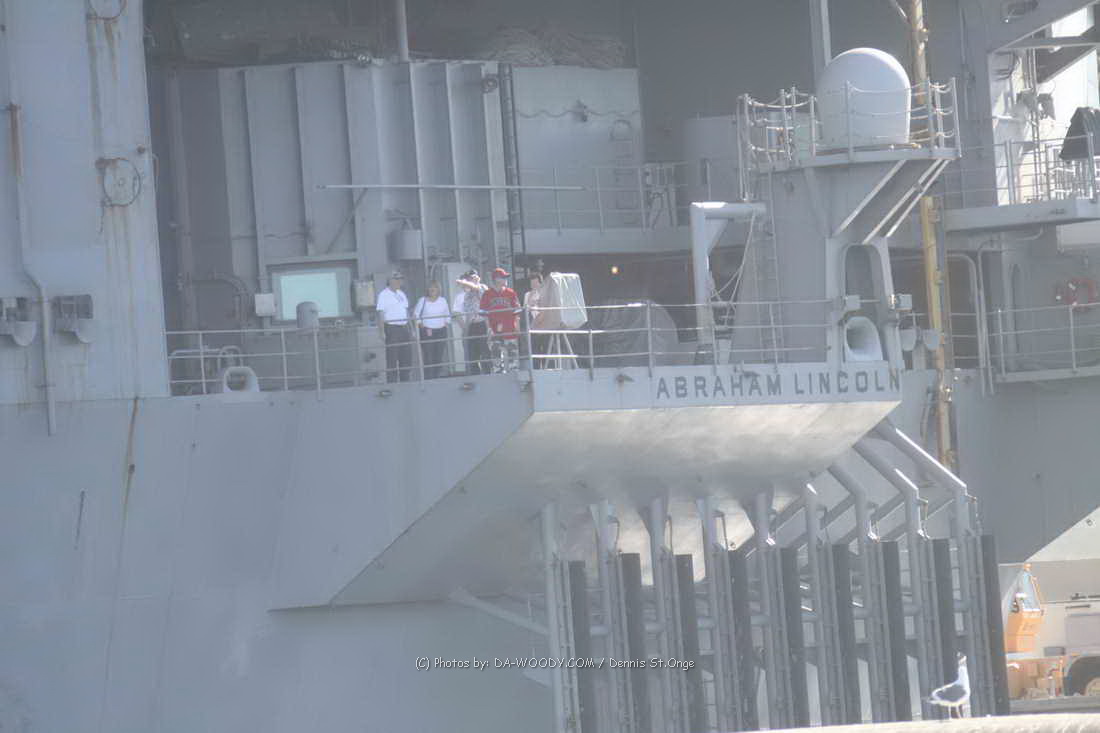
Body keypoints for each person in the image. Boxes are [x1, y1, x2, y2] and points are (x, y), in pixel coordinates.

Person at [480, 267, 520, 371]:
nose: (506, 279)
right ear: (497, 279)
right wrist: (488, 328)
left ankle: (513, 371)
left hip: (509, 328)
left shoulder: (511, 293)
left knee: (512, 356)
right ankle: (498, 372)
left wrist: (517, 326)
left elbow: (517, 311)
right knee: (496, 356)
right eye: (503, 277)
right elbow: (484, 314)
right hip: (494, 329)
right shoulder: (487, 294)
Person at [376, 270, 412, 382]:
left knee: (406, 356)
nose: (399, 282)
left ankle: (405, 381)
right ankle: (392, 383)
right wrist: (382, 331)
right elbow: (381, 314)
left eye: (400, 279)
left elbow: (406, 312)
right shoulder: (383, 295)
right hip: (392, 328)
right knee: (392, 357)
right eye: (396, 279)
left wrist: (411, 328)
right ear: (390, 280)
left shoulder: (402, 294)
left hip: (404, 327)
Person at [454, 269, 489, 375]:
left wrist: (463, 282)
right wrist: (465, 328)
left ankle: (488, 373)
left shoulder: (483, 287)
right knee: (472, 354)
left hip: (483, 324)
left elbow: (476, 288)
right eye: (469, 278)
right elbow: (463, 312)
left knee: (485, 351)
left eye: (473, 277)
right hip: (471, 325)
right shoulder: (466, 295)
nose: (471, 279)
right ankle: (475, 375)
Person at [414, 280, 451, 379]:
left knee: (439, 356)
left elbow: (447, 315)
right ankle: (429, 378)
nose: (432, 289)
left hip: (441, 331)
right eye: (430, 287)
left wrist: (445, 324)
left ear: (438, 289)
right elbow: (416, 315)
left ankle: (436, 377)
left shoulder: (443, 300)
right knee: (428, 356)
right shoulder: (422, 300)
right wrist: (421, 325)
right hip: (427, 331)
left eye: (434, 287)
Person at [524, 271, 548, 369]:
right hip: (533, 324)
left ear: (540, 283)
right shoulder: (527, 294)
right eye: (531, 283)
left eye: (535, 282)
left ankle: (546, 368)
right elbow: (525, 309)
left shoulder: (545, 293)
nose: (533, 285)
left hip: (544, 323)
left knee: (545, 347)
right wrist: (531, 299)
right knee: (534, 348)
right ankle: (536, 369)